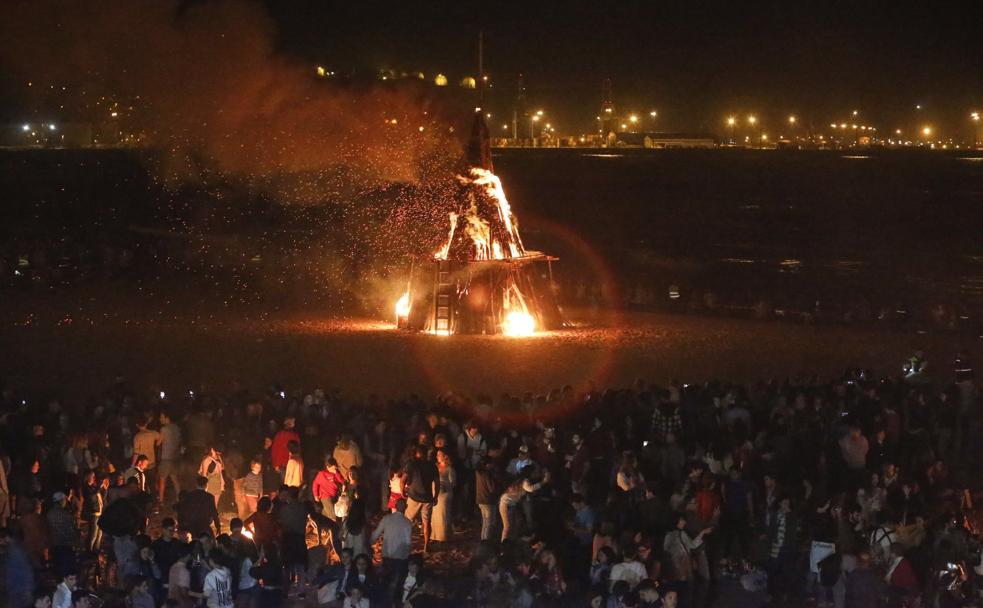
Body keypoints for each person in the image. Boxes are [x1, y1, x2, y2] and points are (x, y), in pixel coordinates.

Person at [403, 447, 438, 553]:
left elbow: (402, 480)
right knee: (426, 522)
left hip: (414, 496)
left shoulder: (412, 464)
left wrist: (403, 492)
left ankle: (406, 544)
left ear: (417, 453)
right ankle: (426, 546)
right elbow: (437, 482)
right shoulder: (432, 466)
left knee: (407, 521)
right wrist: (435, 496)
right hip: (427, 498)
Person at [371, 498, 413, 586]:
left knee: (386, 580)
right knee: (397, 582)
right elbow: (408, 542)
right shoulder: (407, 523)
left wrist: (369, 544)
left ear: (395, 506)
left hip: (387, 555)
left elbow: (375, 534)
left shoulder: (387, 519)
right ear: (406, 507)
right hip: (400, 557)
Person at [430, 449, 455, 543]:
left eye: (439, 455)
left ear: (445, 456)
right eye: (437, 455)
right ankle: (434, 535)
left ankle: (443, 536)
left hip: (444, 494)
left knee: (443, 515)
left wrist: (445, 485)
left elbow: (452, 483)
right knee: (434, 515)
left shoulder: (449, 469)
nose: (437, 457)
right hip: (434, 492)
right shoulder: (435, 467)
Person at [158, 410, 183, 503]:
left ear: (167, 418)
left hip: (166, 457)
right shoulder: (176, 428)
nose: (160, 419)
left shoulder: (164, 429)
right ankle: (179, 497)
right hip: (175, 457)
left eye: (161, 417)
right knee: (175, 479)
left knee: (162, 480)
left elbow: (158, 442)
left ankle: (160, 500)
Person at [313, 457, 346, 522]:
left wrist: (336, 473)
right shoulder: (322, 474)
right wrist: (316, 495)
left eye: (335, 468)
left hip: (334, 496)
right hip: (325, 496)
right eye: (333, 468)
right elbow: (315, 484)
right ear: (328, 467)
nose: (335, 469)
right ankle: (333, 529)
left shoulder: (336, 473)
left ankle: (320, 523)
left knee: (326, 514)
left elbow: (342, 481)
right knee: (332, 516)